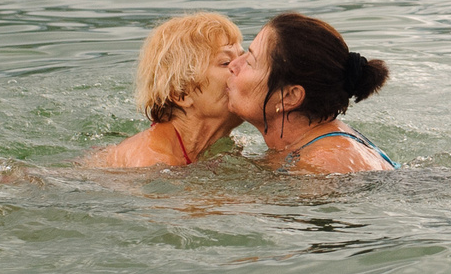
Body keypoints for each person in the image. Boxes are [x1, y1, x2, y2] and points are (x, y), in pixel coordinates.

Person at [228, 12, 397, 173]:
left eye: (249, 62)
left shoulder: (323, 161)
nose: (233, 65)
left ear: (290, 96)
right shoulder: (310, 147)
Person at [81, 12, 244, 169]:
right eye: (225, 62)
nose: (243, 66)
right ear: (181, 93)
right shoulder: (152, 163)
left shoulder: (220, 146)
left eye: (243, 57)